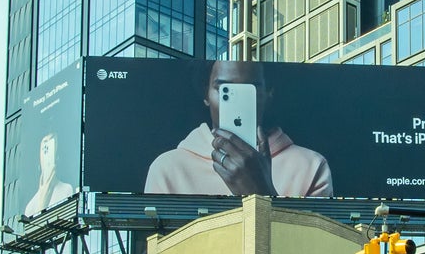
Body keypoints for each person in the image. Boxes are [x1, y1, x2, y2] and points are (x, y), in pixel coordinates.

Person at [143, 60, 333, 198]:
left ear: (269, 92)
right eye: (225, 90)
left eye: (249, 89)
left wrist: (261, 192)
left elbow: (314, 250)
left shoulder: (310, 166)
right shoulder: (167, 168)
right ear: (206, 94)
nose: (238, 103)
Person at [22, 132, 75, 217]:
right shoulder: (30, 207)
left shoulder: (66, 190)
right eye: (44, 147)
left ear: (57, 155)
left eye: (51, 145)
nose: (46, 150)